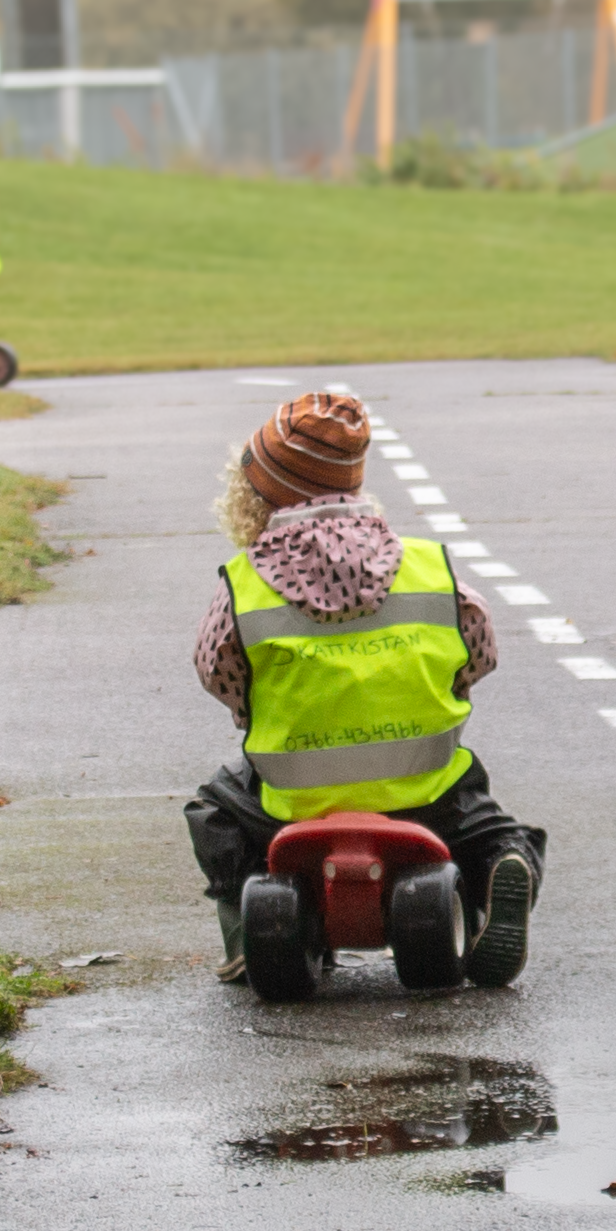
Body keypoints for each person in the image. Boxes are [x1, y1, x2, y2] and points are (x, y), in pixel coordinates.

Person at [186, 386, 542, 981]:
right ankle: (496, 877)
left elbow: (219, 674)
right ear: (354, 483)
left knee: (214, 809)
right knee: (486, 821)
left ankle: (244, 930)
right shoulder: (427, 566)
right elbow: (477, 651)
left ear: (259, 494)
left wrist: (266, 706)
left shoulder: (244, 584)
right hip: (426, 800)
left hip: (292, 806)